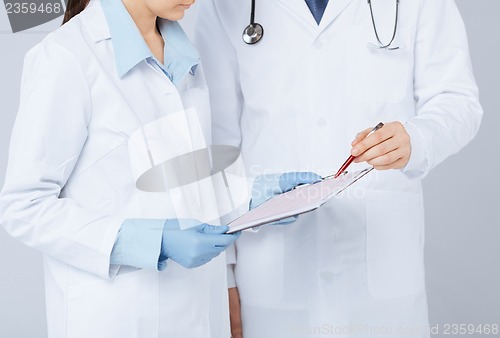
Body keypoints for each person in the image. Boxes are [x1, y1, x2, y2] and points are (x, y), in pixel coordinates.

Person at [194, 0, 483, 337]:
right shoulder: (225, 5)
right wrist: (223, 279)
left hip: (381, 278)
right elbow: (215, 147)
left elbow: (458, 99)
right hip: (270, 274)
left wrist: (416, 139)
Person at [0, 0, 246, 337]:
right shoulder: (66, 56)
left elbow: (185, 178)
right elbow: (23, 206)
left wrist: (255, 196)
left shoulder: (183, 52)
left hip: (198, 313)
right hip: (116, 318)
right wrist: (149, 240)